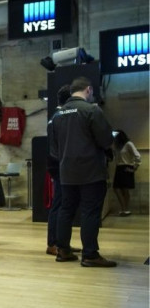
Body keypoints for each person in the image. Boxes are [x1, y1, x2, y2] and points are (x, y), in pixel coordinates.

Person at [50, 77, 116, 267]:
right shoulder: (91, 110)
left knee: (66, 210)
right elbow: (105, 140)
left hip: (66, 172)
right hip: (91, 171)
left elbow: (54, 150)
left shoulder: (58, 116)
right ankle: (90, 255)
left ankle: (62, 250)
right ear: (88, 90)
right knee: (90, 212)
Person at [45, 84, 79, 256]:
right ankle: (53, 243)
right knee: (58, 205)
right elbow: (55, 148)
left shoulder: (57, 117)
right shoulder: (58, 117)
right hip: (59, 167)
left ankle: (61, 242)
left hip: (59, 166)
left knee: (63, 204)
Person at [112, 129, 141, 216]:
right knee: (116, 188)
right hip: (119, 168)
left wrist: (134, 168)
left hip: (126, 167)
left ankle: (125, 209)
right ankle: (124, 209)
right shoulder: (117, 146)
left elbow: (137, 156)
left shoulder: (128, 144)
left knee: (125, 189)